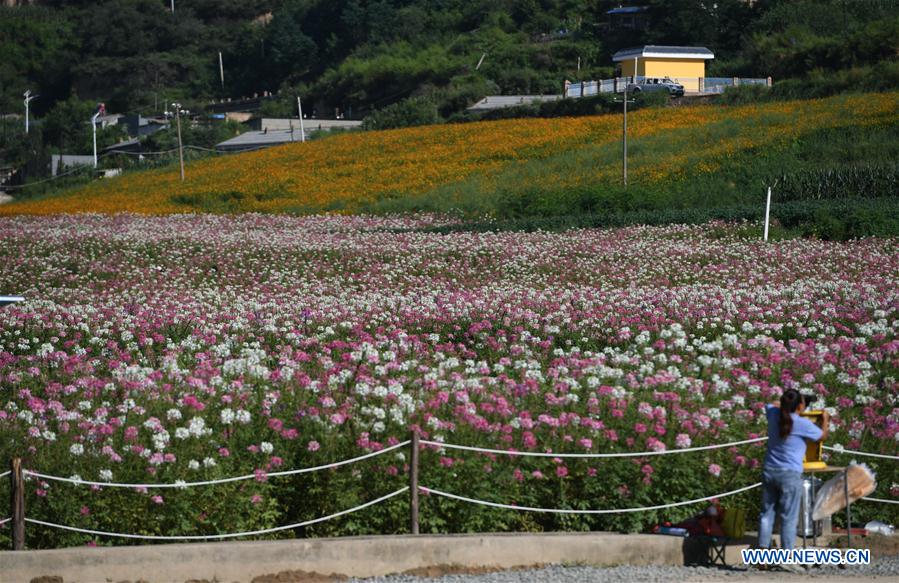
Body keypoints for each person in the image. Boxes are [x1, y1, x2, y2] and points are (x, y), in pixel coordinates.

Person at [758, 389, 829, 555]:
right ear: (799, 406)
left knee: (766, 513)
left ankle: (762, 554)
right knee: (788, 516)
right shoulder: (803, 423)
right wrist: (825, 418)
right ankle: (787, 555)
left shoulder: (774, 415)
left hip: (770, 470)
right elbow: (822, 436)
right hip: (790, 473)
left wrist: (789, 403)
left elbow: (772, 404)